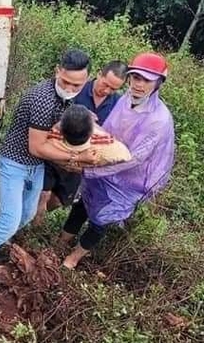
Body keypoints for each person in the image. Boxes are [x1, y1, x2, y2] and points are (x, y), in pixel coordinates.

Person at [0, 49, 99, 286]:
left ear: (86, 80)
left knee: (26, 215)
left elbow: (58, 126)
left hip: (34, 166)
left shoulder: (69, 97)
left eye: (76, 85)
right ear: (57, 71)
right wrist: (76, 156)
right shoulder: (42, 99)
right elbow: (37, 147)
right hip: (14, 163)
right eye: (65, 82)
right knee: (9, 220)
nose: (69, 88)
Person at [60, 52, 176, 269]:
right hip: (106, 164)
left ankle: (73, 258)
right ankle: (60, 242)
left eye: (147, 80)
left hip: (131, 180)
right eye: (136, 78)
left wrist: (92, 169)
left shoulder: (159, 119)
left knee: (101, 219)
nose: (139, 85)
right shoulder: (124, 100)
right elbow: (110, 132)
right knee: (82, 205)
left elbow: (136, 158)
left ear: (158, 83)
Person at [34, 61, 128, 224]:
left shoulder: (117, 104)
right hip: (56, 151)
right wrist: (76, 117)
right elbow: (51, 113)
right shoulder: (77, 88)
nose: (107, 91)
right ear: (100, 74)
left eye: (113, 89)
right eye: (105, 84)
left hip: (80, 163)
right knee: (43, 194)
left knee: (58, 201)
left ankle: (35, 219)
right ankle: (29, 224)